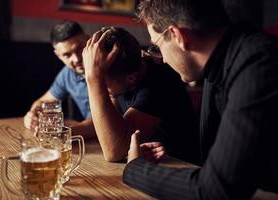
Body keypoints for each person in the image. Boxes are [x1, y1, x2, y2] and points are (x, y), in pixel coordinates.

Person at [123, 0, 278, 199]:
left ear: (178, 36)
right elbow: (212, 160)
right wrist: (165, 150)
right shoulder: (220, 63)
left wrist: (135, 168)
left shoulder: (258, 64)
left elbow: (215, 191)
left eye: (158, 47)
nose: (162, 58)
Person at [82, 26, 199, 163]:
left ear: (131, 78)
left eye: (104, 84)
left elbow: (114, 151)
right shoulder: (123, 78)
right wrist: (59, 133)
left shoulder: (158, 83)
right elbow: (104, 125)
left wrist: (94, 78)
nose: (101, 87)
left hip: (181, 168)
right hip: (149, 166)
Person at [23, 21, 95, 138]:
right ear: (58, 55)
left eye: (79, 49)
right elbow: (42, 102)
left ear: (88, 40)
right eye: (67, 55)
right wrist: (33, 115)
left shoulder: (107, 69)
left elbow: (99, 124)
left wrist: (61, 132)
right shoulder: (67, 74)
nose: (76, 59)